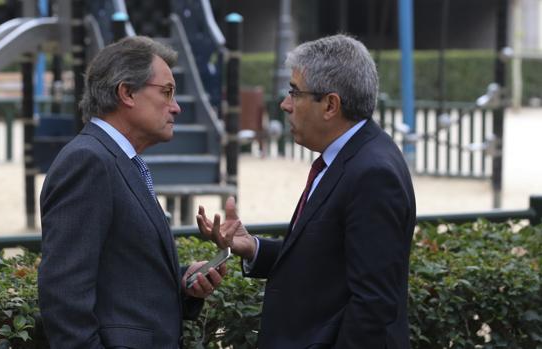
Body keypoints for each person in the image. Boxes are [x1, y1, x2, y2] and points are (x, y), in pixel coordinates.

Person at [198, 34, 416, 348]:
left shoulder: (372, 172)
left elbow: (374, 303)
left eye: (294, 92)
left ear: (330, 104)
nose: (285, 104)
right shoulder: (347, 157)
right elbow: (325, 264)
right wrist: (253, 247)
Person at [38, 36, 226, 349]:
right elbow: (63, 292)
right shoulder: (89, 161)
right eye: (166, 92)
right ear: (126, 92)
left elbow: (119, 271)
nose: (176, 107)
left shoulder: (118, 159)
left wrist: (182, 282)